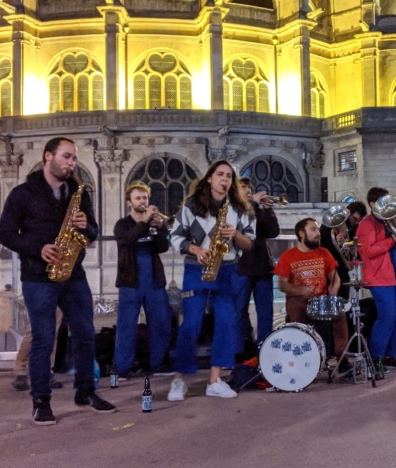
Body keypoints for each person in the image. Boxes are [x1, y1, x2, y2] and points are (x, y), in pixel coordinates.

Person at [0, 136, 116, 425]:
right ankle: (41, 401)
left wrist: (85, 226)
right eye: (66, 157)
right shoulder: (23, 193)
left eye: (74, 158)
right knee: (43, 339)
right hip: (39, 276)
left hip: (74, 274)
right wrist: (37, 248)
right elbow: (5, 233)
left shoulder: (78, 192)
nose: (71, 163)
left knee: (86, 333)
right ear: (48, 156)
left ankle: (85, 392)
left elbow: (93, 232)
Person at [168, 160, 256, 401]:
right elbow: (174, 236)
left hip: (228, 270)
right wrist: (195, 249)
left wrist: (235, 234)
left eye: (229, 176)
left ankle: (214, 380)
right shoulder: (191, 205)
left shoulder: (241, 209)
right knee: (191, 324)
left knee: (227, 323)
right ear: (209, 178)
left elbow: (249, 243)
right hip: (196, 269)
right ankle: (179, 379)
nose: (225, 179)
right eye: (220, 174)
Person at [112, 182, 171, 379]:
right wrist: (144, 222)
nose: (142, 201)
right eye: (138, 198)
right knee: (126, 326)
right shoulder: (122, 224)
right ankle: (122, 369)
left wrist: (157, 229)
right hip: (130, 282)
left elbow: (163, 246)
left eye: (145, 198)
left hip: (153, 280)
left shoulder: (153, 224)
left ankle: (158, 364)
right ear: (129, 202)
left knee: (161, 323)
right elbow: (127, 240)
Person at [273, 217, 346, 361]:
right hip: (299, 301)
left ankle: (342, 358)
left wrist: (334, 289)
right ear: (301, 233)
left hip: (320, 301)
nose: (318, 233)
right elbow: (282, 285)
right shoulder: (288, 256)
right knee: (296, 308)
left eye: (318, 229)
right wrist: (301, 291)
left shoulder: (324, 252)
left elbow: (336, 278)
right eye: (313, 229)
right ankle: (302, 358)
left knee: (340, 314)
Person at [357, 186, 396, 370]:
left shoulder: (390, 221)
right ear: (373, 204)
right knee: (387, 317)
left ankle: (390, 354)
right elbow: (368, 252)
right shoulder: (367, 223)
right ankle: (376, 359)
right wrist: (392, 238)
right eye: (384, 202)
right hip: (380, 276)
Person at [236, 178, 281, 347]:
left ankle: (264, 349)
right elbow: (242, 227)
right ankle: (239, 352)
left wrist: (268, 211)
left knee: (265, 313)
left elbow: (272, 232)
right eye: (244, 189)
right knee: (239, 311)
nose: (248, 192)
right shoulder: (234, 210)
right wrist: (253, 204)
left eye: (249, 189)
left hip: (262, 267)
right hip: (241, 267)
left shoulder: (257, 210)